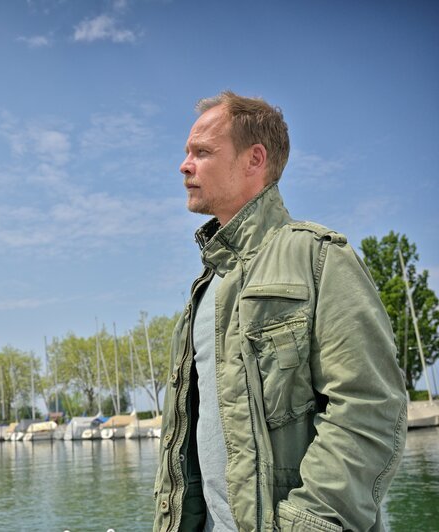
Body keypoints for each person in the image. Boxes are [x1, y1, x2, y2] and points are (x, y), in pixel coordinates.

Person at [153, 92, 407, 532]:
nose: (184, 165)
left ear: (254, 159)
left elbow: (369, 407)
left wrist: (305, 524)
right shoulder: (205, 287)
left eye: (202, 152)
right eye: (186, 153)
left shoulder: (319, 258)